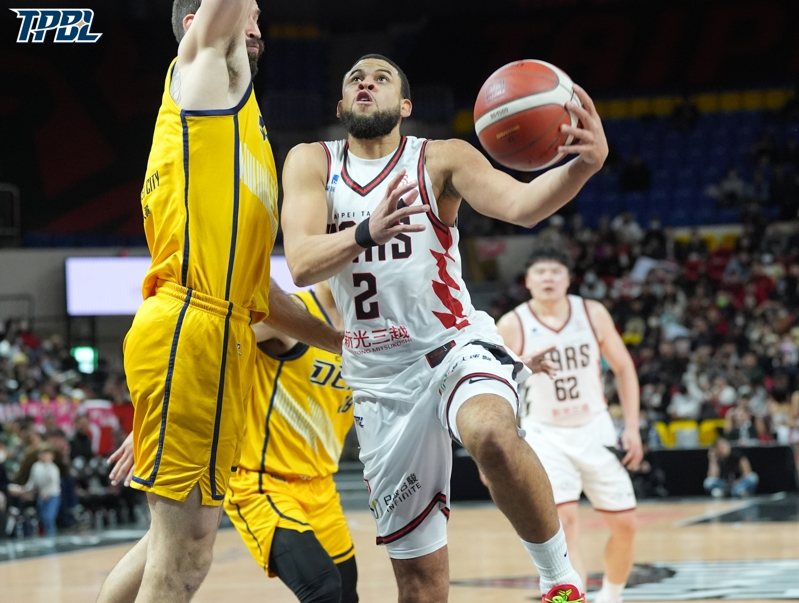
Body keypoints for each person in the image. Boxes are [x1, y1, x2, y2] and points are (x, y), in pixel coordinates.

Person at [280, 53, 609, 603]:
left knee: (492, 437)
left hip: (453, 347)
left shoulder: (441, 158)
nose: (366, 84)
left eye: (381, 78)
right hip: (380, 381)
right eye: (355, 80)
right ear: (341, 105)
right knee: (421, 585)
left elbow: (522, 206)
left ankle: (558, 579)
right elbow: (302, 261)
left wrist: (582, 167)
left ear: (405, 106)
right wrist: (366, 231)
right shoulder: (310, 162)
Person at [97, 2, 342, 601]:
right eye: (248, 13)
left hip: (213, 332)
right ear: (197, 22)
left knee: (167, 543)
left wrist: (348, 344)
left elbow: (262, 296)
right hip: (193, 329)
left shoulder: (242, 135)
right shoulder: (203, 75)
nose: (258, 26)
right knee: (184, 559)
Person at [107, 282, 358, 602]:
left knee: (346, 593)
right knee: (322, 588)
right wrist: (162, 415)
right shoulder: (294, 313)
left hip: (322, 485)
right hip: (263, 484)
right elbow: (213, 353)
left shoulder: (368, 322)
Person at [496, 244, 643, 603]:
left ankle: (612, 596)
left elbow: (624, 368)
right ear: (527, 281)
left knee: (625, 525)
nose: (548, 278)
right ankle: (573, 597)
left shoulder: (592, 313)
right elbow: (495, 384)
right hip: (544, 433)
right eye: (540, 272)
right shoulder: (513, 323)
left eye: (556, 271)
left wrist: (633, 428)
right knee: (564, 524)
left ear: (569, 278)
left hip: (594, 428)